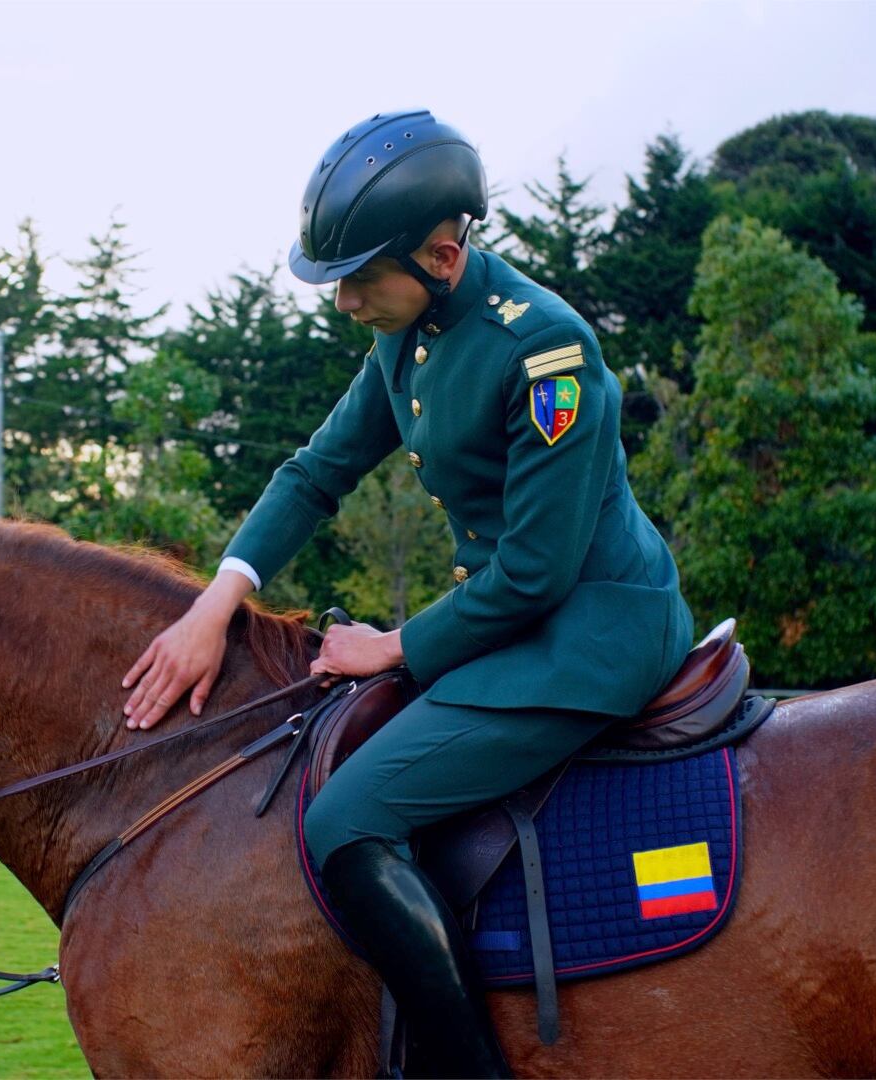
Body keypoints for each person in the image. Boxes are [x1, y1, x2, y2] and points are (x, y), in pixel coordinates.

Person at [120, 109, 694, 1076]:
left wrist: (391, 646)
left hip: (589, 636)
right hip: (512, 625)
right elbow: (317, 472)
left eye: (357, 279)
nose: (342, 302)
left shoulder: (545, 352)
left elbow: (535, 572)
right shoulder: (408, 335)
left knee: (346, 819)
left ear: (441, 254)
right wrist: (213, 604)